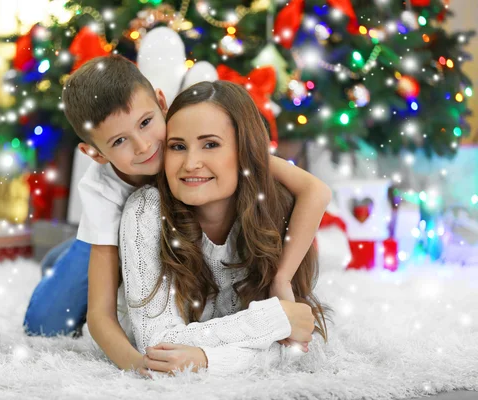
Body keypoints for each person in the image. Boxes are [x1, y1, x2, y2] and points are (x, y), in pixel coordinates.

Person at [23, 55, 332, 373]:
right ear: (95, 154)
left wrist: (282, 278)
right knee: (46, 321)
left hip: (157, 235)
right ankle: (60, 257)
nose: (143, 147)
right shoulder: (106, 191)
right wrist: (139, 366)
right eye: (119, 141)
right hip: (103, 238)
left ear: (162, 103)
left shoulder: (208, 142)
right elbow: (101, 317)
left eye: (146, 123)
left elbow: (315, 191)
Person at [119, 80, 331, 375]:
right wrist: (273, 319)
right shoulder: (146, 210)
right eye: (178, 146)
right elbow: (156, 344)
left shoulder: (274, 210)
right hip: (103, 259)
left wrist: (207, 361)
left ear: (244, 151)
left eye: (211, 144)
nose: (191, 162)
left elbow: (296, 343)